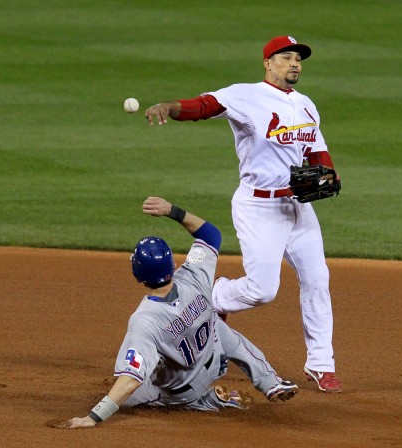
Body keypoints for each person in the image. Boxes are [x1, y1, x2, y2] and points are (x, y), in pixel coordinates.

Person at [144, 36, 342, 393]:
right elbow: (202, 106)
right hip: (259, 207)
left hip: (298, 206)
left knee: (317, 278)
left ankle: (321, 364)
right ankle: (216, 296)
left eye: (298, 59)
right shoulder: (246, 95)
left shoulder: (306, 104)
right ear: (268, 62)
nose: (294, 64)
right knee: (263, 291)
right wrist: (169, 106)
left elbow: (316, 149)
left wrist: (328, 173)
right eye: (286, 57)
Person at [55, 196, 298, 429]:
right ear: (172, 264)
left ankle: (208, 401)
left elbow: (130, 380)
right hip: (215, 358)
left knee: (128, 395)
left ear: (137, 275)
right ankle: (270, 381)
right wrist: (172, 211)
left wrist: (94, 417)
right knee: (220, 327)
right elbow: (210, 235)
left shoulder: (144, 321)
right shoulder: (194, 273)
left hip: (184, 390)